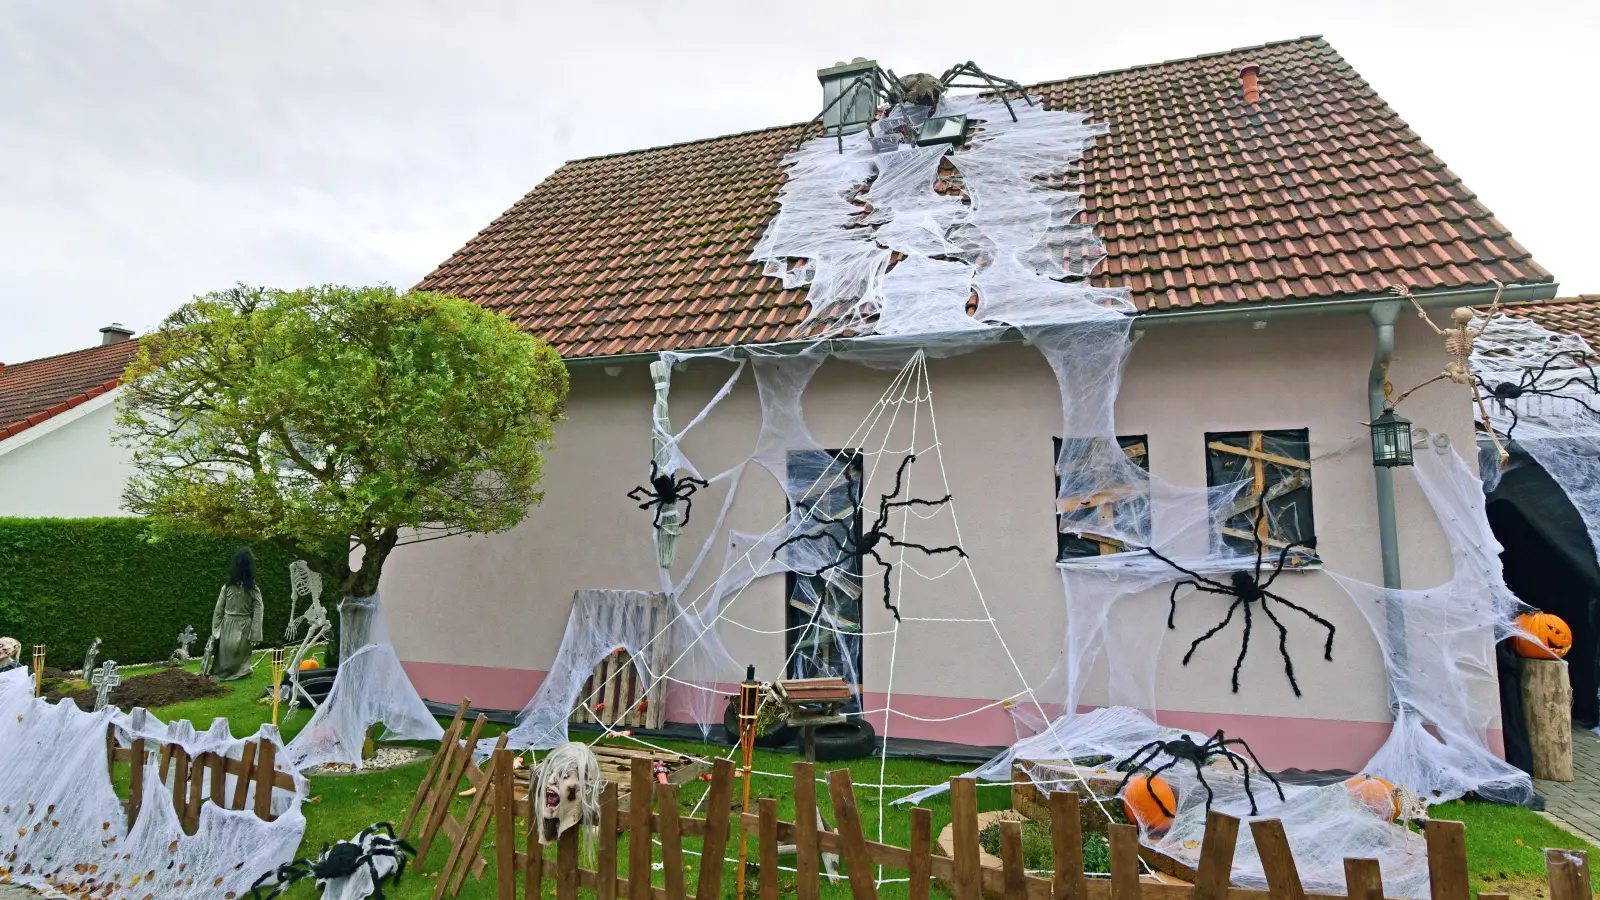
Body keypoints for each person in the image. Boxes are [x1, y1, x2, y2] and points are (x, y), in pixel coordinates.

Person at [209, 548, 264, 681]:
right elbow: (219, 609)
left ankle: (240, 672)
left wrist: (255, 633)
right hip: (228, 623)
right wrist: (216, 630)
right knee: (226, 653)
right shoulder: (228, 587)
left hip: (242, 624)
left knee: (238, 652)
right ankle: (229, 672)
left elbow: (259, 608)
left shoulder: (252, 588)